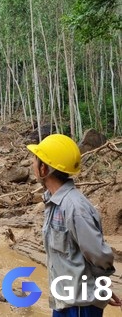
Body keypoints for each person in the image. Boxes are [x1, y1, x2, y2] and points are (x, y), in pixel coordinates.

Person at [27, 134, 121, 316]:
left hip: (79, 306)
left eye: (35, 159)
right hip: (64, 300)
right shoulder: (53, 203)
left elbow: (99, 256)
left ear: (44, 168)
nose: (32, 164)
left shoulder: (75, 208)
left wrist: (100, 288)